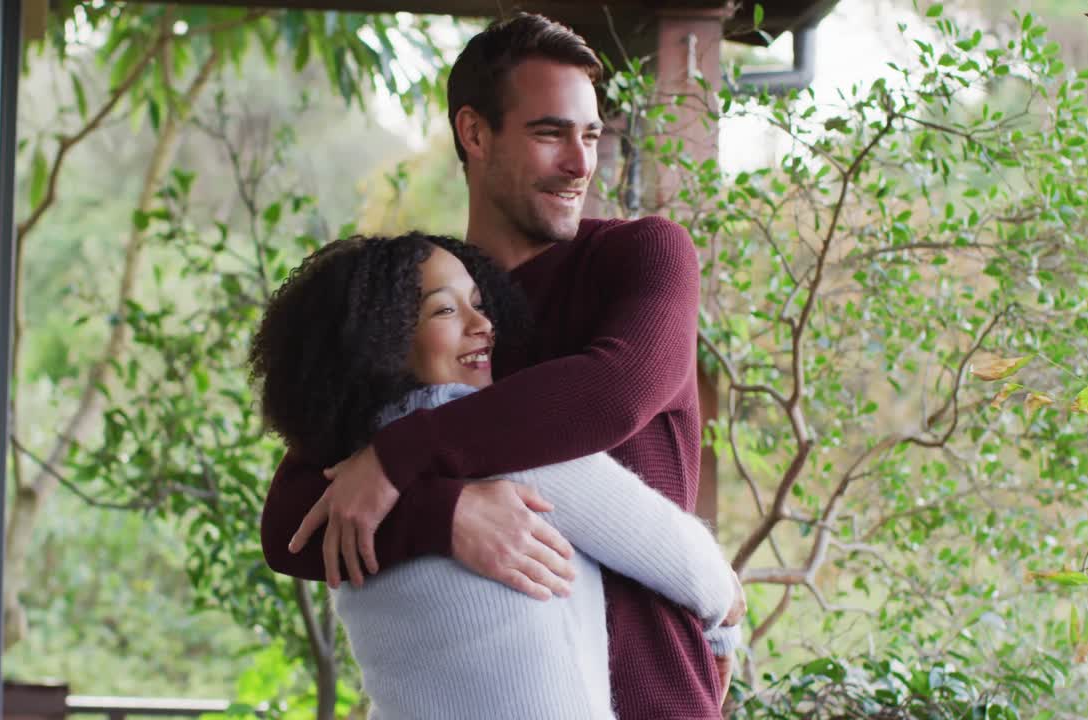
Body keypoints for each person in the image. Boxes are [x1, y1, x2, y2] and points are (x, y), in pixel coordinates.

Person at [260, 13, 739, 718]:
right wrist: (447, 513)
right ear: (475, 134)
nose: (581, 164)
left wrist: (399, 460)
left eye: (591, 136)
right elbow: (292, 524)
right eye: (551, 134)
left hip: (659, 702)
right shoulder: (422, 311)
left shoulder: (644, 255)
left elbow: (611, 395)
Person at [251, 232, 739, 719]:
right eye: (445, 310)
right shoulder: (501, 437)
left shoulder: (347, 481)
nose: (483, 324)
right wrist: (725, 620)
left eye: (479, 305)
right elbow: (662, 542)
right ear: (382, 337)